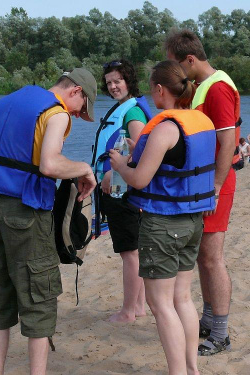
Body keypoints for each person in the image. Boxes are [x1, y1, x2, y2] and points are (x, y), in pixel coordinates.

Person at [0, 68, 97, 375]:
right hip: (25, 214)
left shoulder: (4, 103)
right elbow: (50, 164)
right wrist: (84, 168)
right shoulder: (56, 113)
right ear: (75, 91)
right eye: (80, 110)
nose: (76, 117)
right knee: (39, 299)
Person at [109, 60, 215, 375]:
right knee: (182, 298)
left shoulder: (166, 127)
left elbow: (139, 179)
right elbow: (175, 161)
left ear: (159, 90)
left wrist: (118, 165)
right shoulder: (200, 120)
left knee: (160, 305)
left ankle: (177, 372)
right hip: (193, 222)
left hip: (164, 224)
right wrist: (138, 150)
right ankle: (192, 368)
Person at [165, 29, 240, 356]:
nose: (175, 72)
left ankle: (220, 332)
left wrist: (216, 187)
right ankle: (209, 319)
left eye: (176, 65)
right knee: (202, 257)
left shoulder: (218, 88)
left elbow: (228, 142)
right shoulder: (203, 87)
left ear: (190, 59)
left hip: (214, 184)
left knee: (212, 258)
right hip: (204, 182)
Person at [95, 59, 152, 323]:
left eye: (118, 80)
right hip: (123, 186)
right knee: (133, 250)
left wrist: (113, 172)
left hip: (121, 188)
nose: (114, 86)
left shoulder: (132, 112)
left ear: (128, 79)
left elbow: (140, 148)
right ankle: (138, 306)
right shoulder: (125, 108)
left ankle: (129, 310)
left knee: (129, 252)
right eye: (109, 83)